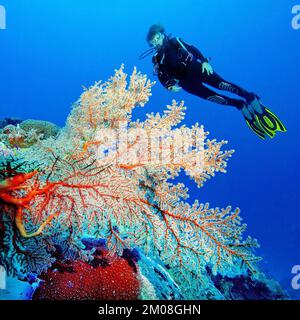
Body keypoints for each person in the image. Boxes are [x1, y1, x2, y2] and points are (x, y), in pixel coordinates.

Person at [142, 24, 286, 139]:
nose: (156, 42)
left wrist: (204, 61)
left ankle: (251, 98)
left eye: (157, 37)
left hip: (198, 69)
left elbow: (193, 48)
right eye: (152, 41)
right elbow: (161, 76)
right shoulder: (155, 59)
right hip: (187, 84)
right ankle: (239, 105)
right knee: (214, 98)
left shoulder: (175, 41)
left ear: (162, 34)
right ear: (150, 44)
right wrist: (169, 86)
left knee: (224, 85)